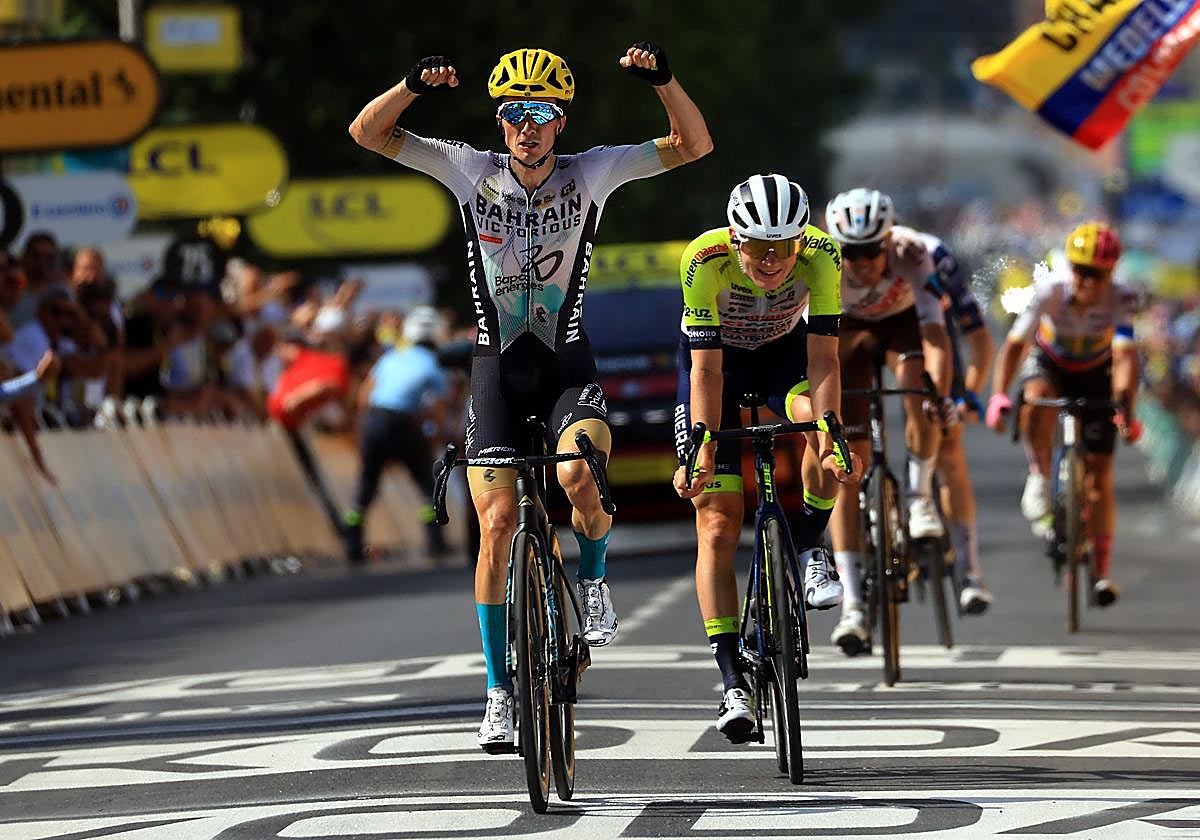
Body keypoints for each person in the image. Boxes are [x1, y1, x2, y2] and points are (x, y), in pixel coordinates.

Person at [349, 42, 712, 752]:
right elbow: (368, 133)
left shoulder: (592, 172)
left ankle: (595, 583)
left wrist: (665, 81)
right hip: (496, 370)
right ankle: (497, 693)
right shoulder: (469, 171)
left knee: (578, 476)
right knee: (494, 525)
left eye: (541, 113)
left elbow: (693, 145)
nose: (527, 126)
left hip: (565, 365)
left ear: (560, 122)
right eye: (515, 112)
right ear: (500, 120)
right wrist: (411, 85)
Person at [673, 174, 858, 741]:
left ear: (802, 240)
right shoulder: (703, 259)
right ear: (736, 239)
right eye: (758, 246)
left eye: (785, 246)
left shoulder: (823, 256)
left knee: (821, 434)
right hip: (716, 367)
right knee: (717, 522)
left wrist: (830, 430)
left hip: (783, 358)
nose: (773, 260)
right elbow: (706, 372)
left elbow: (824, 360)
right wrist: (703, 444)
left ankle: (809, 544)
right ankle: (733, 680)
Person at [822, 188, 955, 655]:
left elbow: (936, 334)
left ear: (889, 241)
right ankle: (853, 605)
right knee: (847, 466)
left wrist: (940, 393)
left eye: (871, 251)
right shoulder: (821, 261)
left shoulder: (912, 253)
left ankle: (919, 497)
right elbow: (813, 349)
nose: (861, 263)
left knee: (919, 389)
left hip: (903, 325)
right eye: (851, 253)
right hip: (847, 331)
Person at [985, 221, 1139, 607]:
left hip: (1096, 370)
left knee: (1099, 478)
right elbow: (1015, 344)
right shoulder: (1049, 290)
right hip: (1050, 362)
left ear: (1111, 273)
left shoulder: (1121, 297)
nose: (1086, 281)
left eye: (1096, 274)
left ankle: (1100, 572)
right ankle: (1039, 473)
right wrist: (999, 396)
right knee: (1036, 397)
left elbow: (1125, 357)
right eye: (1079, 270)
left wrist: (1125, 409)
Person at [919, 232, 995, 614]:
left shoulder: (937, 258)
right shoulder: (844, 260)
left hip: (935, 340)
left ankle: (970, 571)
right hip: (874, 341)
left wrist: (970, 395)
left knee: (949, 449)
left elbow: (979, 339)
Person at [342, 306, 451, 564]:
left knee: (367, 484)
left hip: (375, 419)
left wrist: (364, 430)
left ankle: (352, 544)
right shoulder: (435, 364)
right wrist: (435, 440)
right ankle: (435, 543)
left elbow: (365, 394)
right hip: (403, 423)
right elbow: (438, 409)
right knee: (426, 483)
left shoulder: (391, 357)